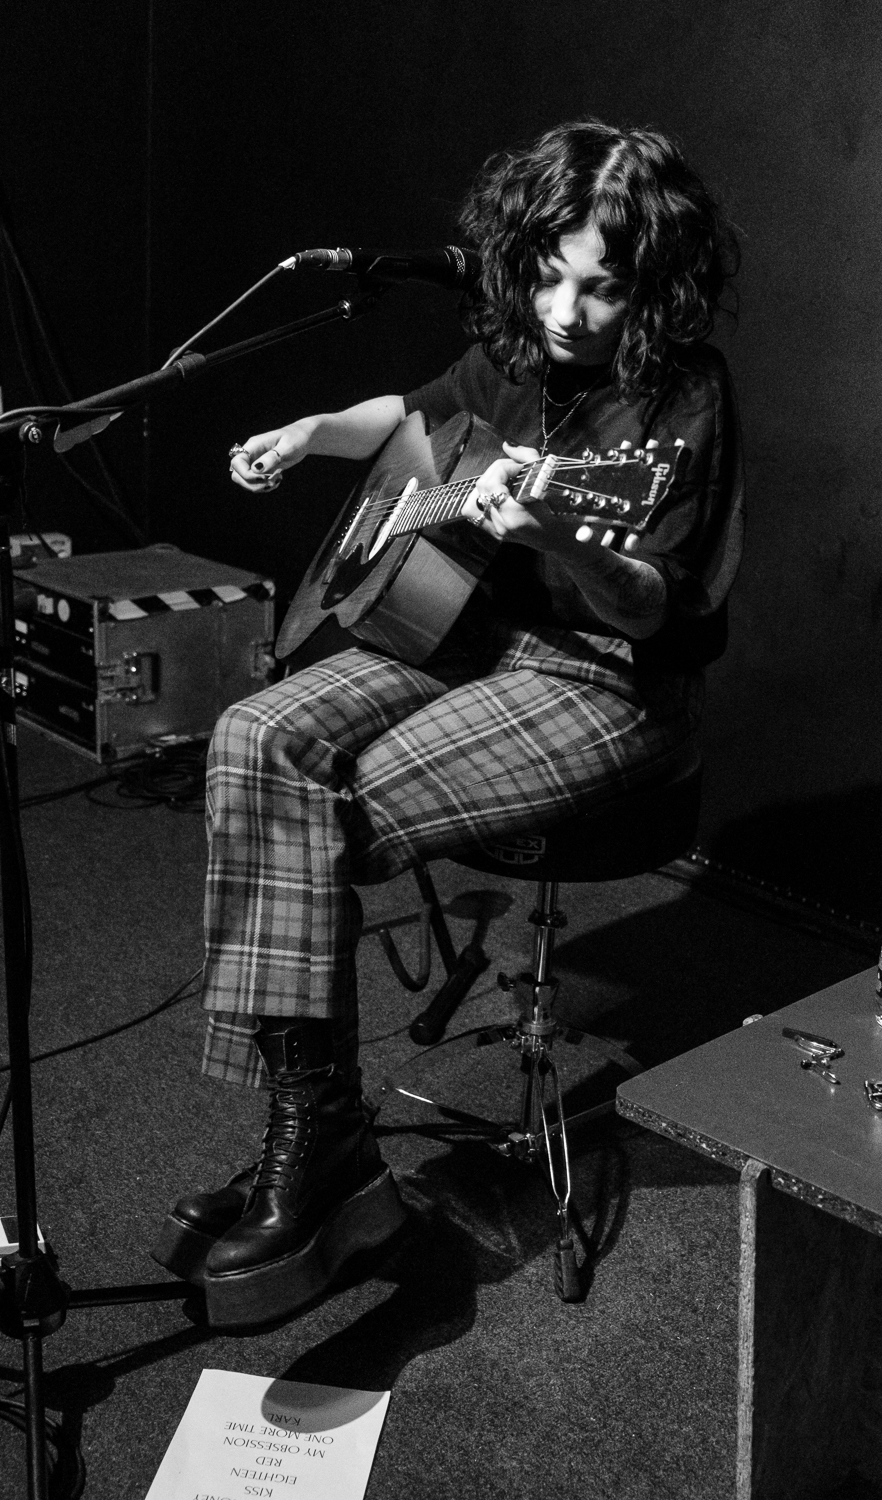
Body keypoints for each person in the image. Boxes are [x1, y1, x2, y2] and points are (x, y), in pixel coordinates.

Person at [150, 120, 744, 1324]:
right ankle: (320, 1140)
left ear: (655, 282)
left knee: (304, 820)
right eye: (547, 273)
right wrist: (316, 434)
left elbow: (656, 607)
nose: (567, 310)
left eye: (602, 285)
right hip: (459, 626)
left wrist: (557, 532)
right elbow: (415, 420)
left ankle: (314, 1155)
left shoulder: (681, 398)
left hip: (602, 681)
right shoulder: (518, 349)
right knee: (251, 743)